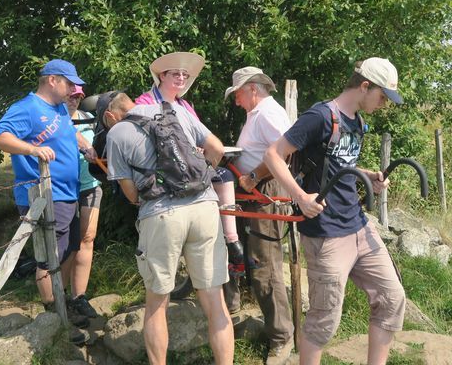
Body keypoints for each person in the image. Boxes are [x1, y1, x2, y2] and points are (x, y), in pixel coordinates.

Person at [263, 58, 407, 365]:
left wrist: (367, 176)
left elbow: (340, 164)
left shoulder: (355, 120)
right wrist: (300, 196)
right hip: (325, 233)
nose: (384, 104)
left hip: (358, 224)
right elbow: (273, 155)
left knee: (392, 298)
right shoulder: (319, 116)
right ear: (364, 86)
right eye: (382, 96)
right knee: (324, 318)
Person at [107, 99, 234, 365]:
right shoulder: (175, 112)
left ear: (110, 115)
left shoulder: (116, 132)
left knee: (156, 303)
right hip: (205, 207)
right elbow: (218, 148)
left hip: (162, 215)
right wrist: (204, 174)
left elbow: (131, 195)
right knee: (214, 300)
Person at [0, 59, 97, 342]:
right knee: (50, 255)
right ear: (52, 80)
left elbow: (66, 131)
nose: (73, 88)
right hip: (43, 195)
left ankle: (59, 304)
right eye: (69, 82)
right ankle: (54, 316)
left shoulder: (60, 107)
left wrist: (83, 144)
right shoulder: (26, 108)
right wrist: (31, 149)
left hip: (67, 192)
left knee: (69, 248)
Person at [136, 52, 244, 269]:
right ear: (162, 76)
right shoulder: (144, 103)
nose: (181, 78)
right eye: (176, 73)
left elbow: (200, 138)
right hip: (161, 170)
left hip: (187, 167)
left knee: (225, 175)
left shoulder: (185, 106)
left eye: (185, 75)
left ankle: (231, 239)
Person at [224, 67, 295, 365]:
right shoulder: (257, 114)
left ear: (252, 89)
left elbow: (286, 151)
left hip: (267, 192)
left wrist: (253, 175)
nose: (237, 101)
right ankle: (234, 314)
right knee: (239, 253)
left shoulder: (267, 113)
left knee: (265, 264)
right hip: (253, 191)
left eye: (238, 94)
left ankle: (281, 337)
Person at [66, 85, 102, 318]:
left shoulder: (89, 118)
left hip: (90, 184)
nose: (75, 100)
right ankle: (58, 299)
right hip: (64, 187)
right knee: (67, 244)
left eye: (79, 96)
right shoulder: (53, 119)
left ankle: (79, 296)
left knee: (87, 239)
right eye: (71, 95)